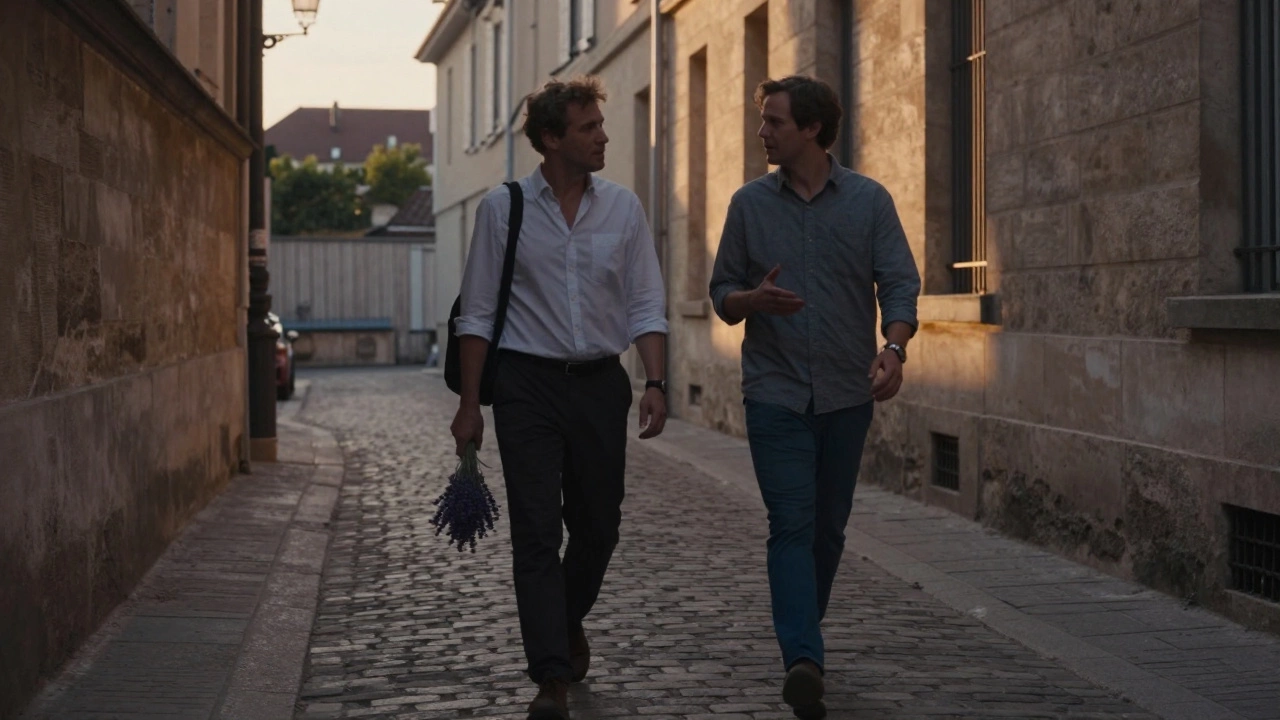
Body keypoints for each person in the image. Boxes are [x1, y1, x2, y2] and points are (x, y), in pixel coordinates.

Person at [450, 76, 670, 720]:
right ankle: (550, 676)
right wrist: (470, 406)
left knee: (599, 526)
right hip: (526, 387)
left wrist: (654, 382)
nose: (604, 136)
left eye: (601, 125)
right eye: (590, 128)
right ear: (551, 138)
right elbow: (478, 313)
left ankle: (565, 619)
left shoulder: (623, 209)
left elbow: (646, 301)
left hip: (603, 384)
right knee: (537, 531)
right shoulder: (503, 208)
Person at [709, 75, 921, 719]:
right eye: (762, 119)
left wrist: (894, 349)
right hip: (773, 394)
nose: (762, 131)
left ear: (810, 129)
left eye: (773, 121)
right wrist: (752, 300)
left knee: (827, 529)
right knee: (791, 524)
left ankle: (805, 630)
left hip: (844, 396)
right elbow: (721, 295)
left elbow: (901, 285)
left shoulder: (869, 201)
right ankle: (803, 657)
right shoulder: (748, 205)